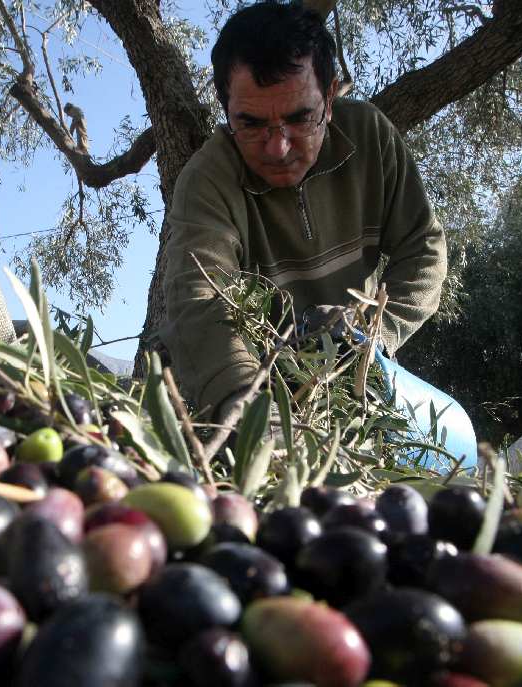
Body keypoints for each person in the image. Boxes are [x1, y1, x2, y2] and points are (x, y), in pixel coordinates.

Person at [161, 2, 449, 425]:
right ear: (226, 112)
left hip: (357, 388)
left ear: (330, 98)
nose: (277, 148)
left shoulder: (369, 136)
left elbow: (423, 248)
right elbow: (198, 298)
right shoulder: (206, 180)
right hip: (257, 390)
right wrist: (250, 407)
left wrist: (370, 337)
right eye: (252, 124)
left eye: (300, 119)